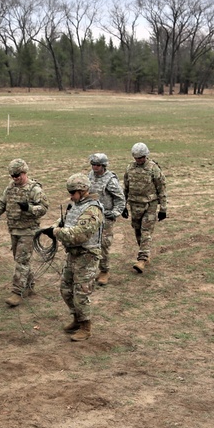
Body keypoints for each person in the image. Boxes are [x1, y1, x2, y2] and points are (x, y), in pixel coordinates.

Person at [50, 173, 105, 342]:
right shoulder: (75, 205)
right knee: (66, 289)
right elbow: (65, 221)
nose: (70, 196)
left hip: (87, 256)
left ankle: (85, 327)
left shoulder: (92, 210)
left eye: (73, 192)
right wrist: (56, 225)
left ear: (83, 191)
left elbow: (79, 235)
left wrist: (57, 232)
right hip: (73, 255)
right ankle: (77, 318)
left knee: (81, 293)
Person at [0, 158, 48, 306]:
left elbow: (43, 209)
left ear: (24, 172)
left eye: (17, 175)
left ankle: (17, 292)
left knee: (22, 261)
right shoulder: (10, 188)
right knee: (20, 259)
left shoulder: (34, 189)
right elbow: (2, 202)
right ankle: (29, 286)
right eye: (13, 176)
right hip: (14, 229)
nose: (15, 178)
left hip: (28, 231)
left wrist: (28, 208)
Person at [123, 142, 167, 273]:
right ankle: (145, 254)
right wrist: (123, 206)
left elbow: (162, 188)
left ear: (146, 155)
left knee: (146, 231)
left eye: (141, 157)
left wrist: (163, 208)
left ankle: (141, 259)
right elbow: (125, 188)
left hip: (150, 205)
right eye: (136, 157)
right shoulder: (129, 168)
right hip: (134, 204)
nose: (139, 160)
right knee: (138, 231)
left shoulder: (153, 168)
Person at [86, 153, 125, 286]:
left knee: (103, 244)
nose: (94, 167)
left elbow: (120, 198)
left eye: (97, 165)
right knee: (88, 243)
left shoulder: (110, 180)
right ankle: (90, 270)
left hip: (106, 217)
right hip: (91, 215)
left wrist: (115, 213)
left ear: (103, 165)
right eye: (93, 165)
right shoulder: (89, 176)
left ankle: (104, 271)